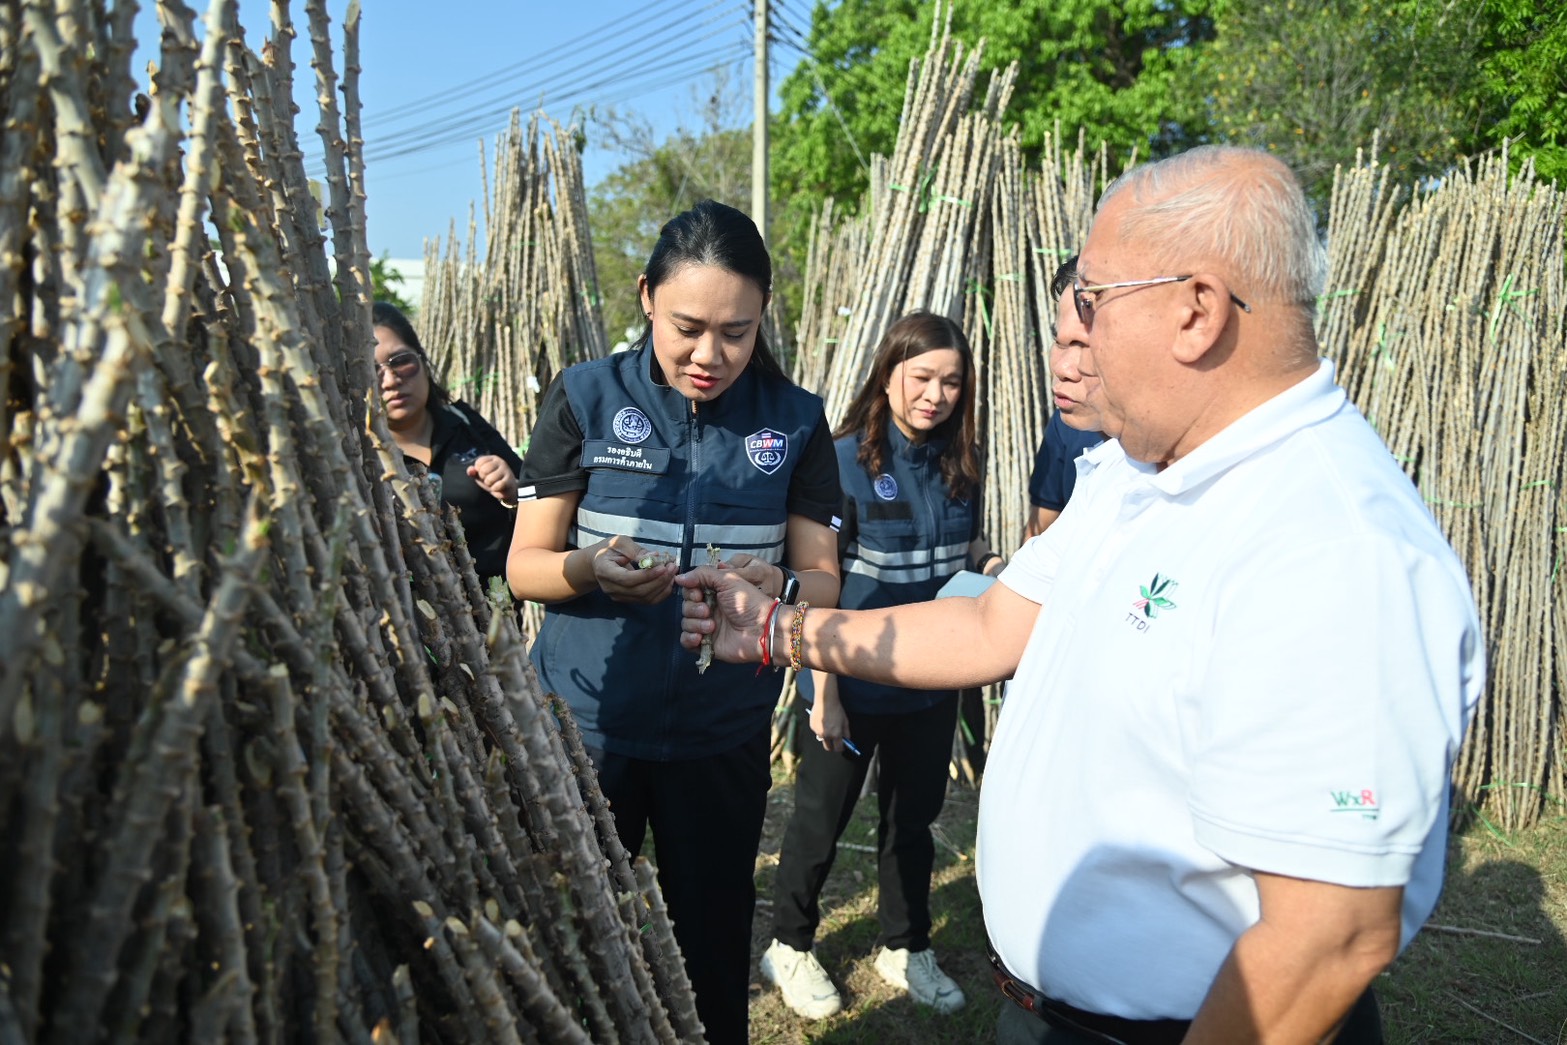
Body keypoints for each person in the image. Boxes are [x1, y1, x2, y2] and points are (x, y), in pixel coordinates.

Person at [677, 147, 1484, 1044]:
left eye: (1093, 302)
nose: (1076, 341)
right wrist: (781, 629)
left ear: (1195, 310)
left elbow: (1328, 935)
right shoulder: (1137, 476)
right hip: (1053, 1014)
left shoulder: (1331, 547)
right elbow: (988, 623)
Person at [505, 200, 842, 1045]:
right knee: (573, 942)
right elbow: (524, 564)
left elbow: (822, 579)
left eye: (736, 332)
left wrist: (779, 587)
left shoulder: (796, 419)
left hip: (719, 734)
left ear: (763, 315)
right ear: (646, 296)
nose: (709, 355)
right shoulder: (586, 395)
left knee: (712, 951)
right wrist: (590, 569)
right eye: (687, 327)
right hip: (583, 729)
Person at [761, 311, 1005, 1020]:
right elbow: (819, 585)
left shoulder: (962, 460)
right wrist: (825, 694)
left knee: (913, 820)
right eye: (921, 377)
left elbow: (964, 545)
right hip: (851, 681)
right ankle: (788, 943)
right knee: (820, 818)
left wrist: (991, 564)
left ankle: (905, 943)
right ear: (888, 373)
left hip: (931, 680)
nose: (935, 395)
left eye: (951, 382)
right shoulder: (841, 461)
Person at [372, 302, 521, 583]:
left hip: (497, 604)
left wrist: (512, 491)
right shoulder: (359, 458)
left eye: (401, 361)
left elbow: (536, 498)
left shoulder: (463, 422)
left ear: (422, 360)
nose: (390, 380)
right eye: (372, 370)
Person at [1021, 257, 1106, 544]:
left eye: (1085, 345)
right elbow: (1040, 534)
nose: (1062, 368)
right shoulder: (1067, 424)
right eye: (1060, 342)